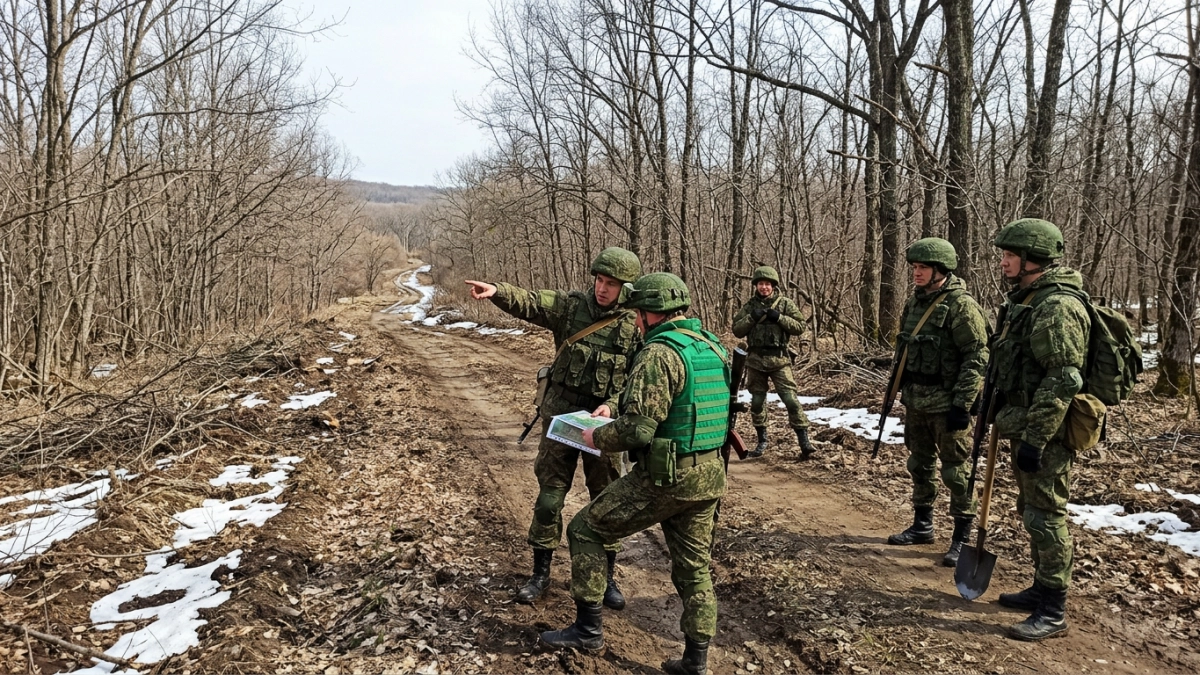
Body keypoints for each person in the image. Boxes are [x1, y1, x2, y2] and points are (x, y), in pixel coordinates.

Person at [539, 272, 728, 675]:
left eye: (638, 312)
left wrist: (595, 436)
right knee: (695, 567)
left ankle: (587, 630)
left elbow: (639, 429)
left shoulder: (659, 353)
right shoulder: (711, 346)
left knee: (585, 530)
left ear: (646, 314)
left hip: (667, 476)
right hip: (710, 473)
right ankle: (696, 660)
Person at [465, 247, 642, 610]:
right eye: (599, 280)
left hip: (603, 425)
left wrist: (615, 404)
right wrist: (497, 292)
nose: (602, 289)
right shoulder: (571, 307)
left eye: (611, 284)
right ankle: (540, 573)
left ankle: (607, 578)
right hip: (561, 419)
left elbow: (640, 376)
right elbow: (532, 302)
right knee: (549, 499)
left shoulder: (635, 323)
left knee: (605, 500)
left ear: (626, 288)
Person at [990, 219, 1088, 641]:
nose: (1003, 261)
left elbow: (1064, 377)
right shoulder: (1026, 300)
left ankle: (1054, 609)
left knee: (1046, 517)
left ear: (1033, 260)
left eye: (1010, 256)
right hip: (1026, 422)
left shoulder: (1056, 307)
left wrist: (1036, 437)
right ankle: (1040, 588)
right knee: (1030, 512)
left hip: (1046, 430)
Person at [886, 238, 989, 568]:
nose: (916, 273)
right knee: (919, 465)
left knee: (956, 473)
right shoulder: (914, 304)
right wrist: (894, 388)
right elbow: (903, 350)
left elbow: (977, 355)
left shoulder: (961, 306)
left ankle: (961, 537)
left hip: (947, 405)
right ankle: (923, 525)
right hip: (916, 398)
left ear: (940, 270)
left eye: (923, 268)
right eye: (914, 268)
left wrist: (963, 403)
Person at [731, 266, 815, 458]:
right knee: (758, 403)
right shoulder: (750, 306)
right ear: (756, 286)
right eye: (761, 284)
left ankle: (804, 441)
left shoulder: (784, 303)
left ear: (773, 286)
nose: (764, 287)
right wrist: (752, 317)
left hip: (780, 360)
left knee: (790, 400)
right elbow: (737, 329)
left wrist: (779, 318)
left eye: (767, 284)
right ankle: (762, 441)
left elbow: (800, 326)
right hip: (755, 360)